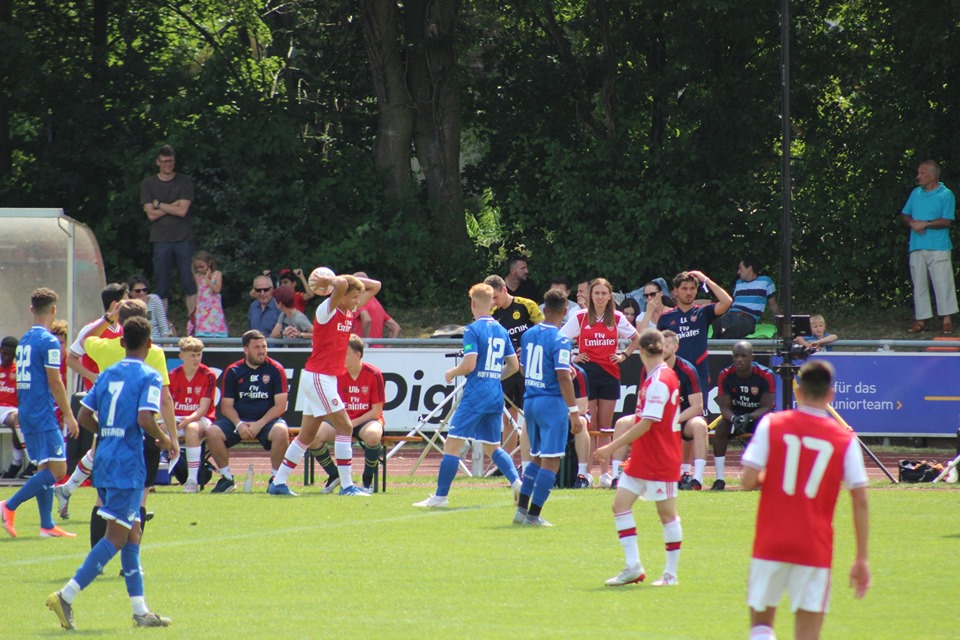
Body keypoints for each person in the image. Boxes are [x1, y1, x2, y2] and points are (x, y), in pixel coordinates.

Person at [47, 316, 174, 630]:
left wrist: (109, 431)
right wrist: (164, 437)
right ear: (149, 344)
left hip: (104, 458)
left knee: (133, 532)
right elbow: (146, 418)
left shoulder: (105, 375)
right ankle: (66, 595)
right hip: (127, 464)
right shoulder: (150, 375)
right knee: (116, 537)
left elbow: (83, 414)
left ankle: (141, 611)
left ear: (121, 342)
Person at [741, 359, 870, 640]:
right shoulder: (844, 439)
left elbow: (747, 480)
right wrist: (861, 558)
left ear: (797, 392)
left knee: (761, 626)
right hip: (814, 545)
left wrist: (770, 477)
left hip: (771, 540)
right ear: (830, 396)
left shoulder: (772, 424)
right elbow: (860, 499)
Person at [57, 299, 180, 545]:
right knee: (140, 498)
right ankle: (130, 563)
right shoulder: (154, 352)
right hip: (140, 434)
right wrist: (172, 438)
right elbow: (165, 398)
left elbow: (82, 341)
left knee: (102, 499)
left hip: (110, 430)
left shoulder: (103, 347)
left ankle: (97, 557)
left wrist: (107, 318)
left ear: (120, 324)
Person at [268, 272, 381, 496]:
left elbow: (376, 285)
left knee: (307, 435)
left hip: (323, 377)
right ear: (341, 295)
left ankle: (278, 483)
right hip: (319, 376)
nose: (358, 301)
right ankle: (348, 487)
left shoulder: (348, 312)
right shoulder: (327, 310)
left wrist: (349, 282)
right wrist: (329, 279)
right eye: (354, 297)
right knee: (346, 427)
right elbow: (339, 284)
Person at [413, 283, 522, 507]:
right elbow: (514, 365)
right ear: (492, 303)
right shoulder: (501, 329)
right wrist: (493, 377)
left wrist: (452, 372)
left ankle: (440, 497)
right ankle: (516, 482)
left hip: (476, 394)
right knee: (493, 447)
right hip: (495, 393)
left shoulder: (472, 330)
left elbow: (469, 364)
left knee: (452, 445)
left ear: (473, 303)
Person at [594, 328, 683, 588]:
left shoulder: (659, 380)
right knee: (620, 505)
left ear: (641, 351)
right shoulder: (659, 376)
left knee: (667, 515)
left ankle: (670, 574)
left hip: (660, 458)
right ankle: (633, 566)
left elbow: (646, 424)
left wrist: (611, 447)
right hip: (644, 456)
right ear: (662, 348)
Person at [1, 288, 79, 539]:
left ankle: (47, 525)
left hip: (26, 410)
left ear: (31, 309)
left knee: (44, 466)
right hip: (43, 413)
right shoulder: (49, 342)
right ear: (54, 310)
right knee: (58, 470)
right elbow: (55, 382)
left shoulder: (24, 340)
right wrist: (68, 414)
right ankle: (8, 505)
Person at [561, 277, 639, 487]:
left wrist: (623, 356)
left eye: (604, 293)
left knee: (605, 426)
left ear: (609, 296)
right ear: (590, 295)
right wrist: (572, 357)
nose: (600, 297)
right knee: (588, 423)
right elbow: (558, 340)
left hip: (610, 374)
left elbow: (637, 338)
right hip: (585, 375)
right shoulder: (580, 317)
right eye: (596, 293)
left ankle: (605, 473)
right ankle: (585, 472)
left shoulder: (616, 317)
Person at [609, 329, 710, 491]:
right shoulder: (648, 369)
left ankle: (695, 479)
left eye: (667, 345)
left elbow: (697, 407)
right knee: (622, 423)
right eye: (660, 345)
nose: (662, 349)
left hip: (680, 419)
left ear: (675, 348)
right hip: (654, 418)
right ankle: (617, 476)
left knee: (700, 424)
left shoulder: (687, 370)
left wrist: (673, 419)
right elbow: (640, 403)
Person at [513, 288, 581, 526]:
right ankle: (534, 515)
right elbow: (563, 376)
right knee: (552, 460)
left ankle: (521, 511)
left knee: (537, 458)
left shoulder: (529, 335)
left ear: (543, 309)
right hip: (551, 403)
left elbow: (523, 368)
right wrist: (575, 412)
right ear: (565, 311)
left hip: (530, 400)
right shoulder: (561, 339)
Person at [206, 330, 290, 493]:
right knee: (212, 431)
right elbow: (226, 406)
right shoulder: (233, 370)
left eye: (264, 346)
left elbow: (280, 405)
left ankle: (276, 480)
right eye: (257, 347)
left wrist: (259, 424)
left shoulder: (276, 369)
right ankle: (227, 479)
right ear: (246, 350)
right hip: (238, 421)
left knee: (281, 431)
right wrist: (239, 424)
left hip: (266, 422)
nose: (262, 351)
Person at [307, 334, 385, 494]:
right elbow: (326, 406)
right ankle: (334, 474)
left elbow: (376, 411)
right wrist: (341, 422)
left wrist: (350, 424)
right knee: (311, 435)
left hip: (365, 421)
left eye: (345, 352)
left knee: (373, 435)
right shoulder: (334, 374)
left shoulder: (374, 373)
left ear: (358, 355)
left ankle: (367, 480)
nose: (340, 355)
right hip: (340, 420)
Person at [485, 274, 543, 473]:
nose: (493, 302)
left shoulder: (527, 306)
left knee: (531, 415)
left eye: (494, 296)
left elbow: (545, 330)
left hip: (529, 369)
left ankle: (532, 462)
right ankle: (506, 464)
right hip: (508, 369)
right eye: (489, 298)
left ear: (503, 290)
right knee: (507, 418)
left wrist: (527, 348)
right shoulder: (493, 313)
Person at [901, 159, 958, 335]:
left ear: (932, 175)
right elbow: (905, 214)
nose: (918, 176)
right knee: (919, 284)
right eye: (918, 173)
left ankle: (947, 319)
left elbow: (947, 220)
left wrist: (925, 223)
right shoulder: (915, 193)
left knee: (943, 282)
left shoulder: (946, 194)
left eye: (922, 173)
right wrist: (912, 223)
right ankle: (921, 320)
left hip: (939, 246)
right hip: (917, 246)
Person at [141, 144, 197, 318]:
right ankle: (162, 326)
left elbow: (183, 211)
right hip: (160, 239)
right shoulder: (148, 183)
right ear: (158, 162)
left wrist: (159, 205)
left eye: (171, 161)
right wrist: (172, 205)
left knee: (189, 282)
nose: (168, 164)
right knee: (162, 286)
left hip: (184, 238)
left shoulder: (184, 181)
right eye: (164, 161)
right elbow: (150, 215)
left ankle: (193, 325)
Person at [712, 340, 776, 491]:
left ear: (752, 357)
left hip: (758, 416)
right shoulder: (725, 375)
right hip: (736, 416)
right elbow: (724, 407)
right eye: (736, 356)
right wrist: (734, 418)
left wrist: (749, 417)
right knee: (721, 427)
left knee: (768, 427)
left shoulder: (766, 375)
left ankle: (765, 477)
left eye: (743, 356)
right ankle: (719, 479)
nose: (739, 359)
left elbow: (766, 407)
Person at [657, 270, 733, 395]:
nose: (689, 292)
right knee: (672, 413)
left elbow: (727, 302)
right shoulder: (665, 317)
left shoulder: (703, 312)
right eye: (684, 288)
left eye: (692, 288)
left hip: (699, 372)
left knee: (698, 413)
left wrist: (705, 279)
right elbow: (658, 348)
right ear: (675, 291)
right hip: (673, 372)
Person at [168, 336, 217, 493]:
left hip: (201, 419)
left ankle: (192, 480)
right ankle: (150, 479)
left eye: (199, 355)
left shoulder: (208, 375)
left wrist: (187, 420)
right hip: (177, 418)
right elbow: (167, 405)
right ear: (181, 356)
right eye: (192, 355)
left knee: (191, 428)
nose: (196, 359)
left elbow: (203, 409)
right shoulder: (172, 375)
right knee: (156, 430)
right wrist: (170, 422)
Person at [716, 257, 780, 339]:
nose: (738, 272)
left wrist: (782, 325)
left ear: (749, 268)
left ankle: (721, 339)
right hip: (730, 315)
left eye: (740, 268)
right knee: (716, 323)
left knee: (734, 329)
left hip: (747, 318)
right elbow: (732, 303)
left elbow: (773, 305)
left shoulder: (766, 282)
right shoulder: (738, 283)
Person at [0, 336, 26, 478]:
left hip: (10, 409)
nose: (7, 357)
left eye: (11, 355)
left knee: (17, 420)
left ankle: (17, 463)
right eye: (4, 353)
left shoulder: (19, 371)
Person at [351, 271, 401, 344]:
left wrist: (364, 343)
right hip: (378, 350)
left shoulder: (359, 301)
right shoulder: (377, 304)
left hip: (360, 350)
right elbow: (395, 327)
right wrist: (387, 349)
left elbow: (367, 320)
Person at [189, 250, 228, 337]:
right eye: (197, 267)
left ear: (209, 263)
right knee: (202, 333)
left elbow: (217, 289)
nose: (199, 269)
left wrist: (208, 279)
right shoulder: (197, 277)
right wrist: (194, 308)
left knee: (214, 332)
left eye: (202, 266)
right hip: (202, 308)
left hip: (214, 308)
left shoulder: (217, 274)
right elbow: (199, 292)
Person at [127, 275, 174, 339]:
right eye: (138, 291)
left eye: (144, 290)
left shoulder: (154, 300)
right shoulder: (128, 306)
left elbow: (164, 328)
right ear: (130, 293)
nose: (142, 293)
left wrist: (165, 347)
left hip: (158, 343)